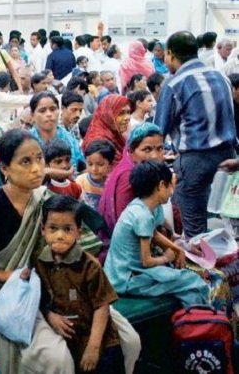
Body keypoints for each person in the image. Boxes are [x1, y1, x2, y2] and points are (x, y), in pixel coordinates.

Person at [0, 129, 141, 374]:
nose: (37, 168)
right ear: (5, 169)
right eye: (25, 162)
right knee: (57, 360)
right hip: (9, 293)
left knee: (128, 340)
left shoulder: (44, 198)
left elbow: (78, 245)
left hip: (57, 282)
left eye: (39, 159)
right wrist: (1, 276)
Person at [155, 31, 237, 239]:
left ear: (170, 54)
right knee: (229, 220)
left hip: (195, 161)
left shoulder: (174, 84)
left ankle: (201, 266)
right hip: (229, 157)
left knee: (195, 230)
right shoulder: (221, 77)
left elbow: (157, 132)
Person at [36, 195, 124, 374]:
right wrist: (50, 316)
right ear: (43, 230)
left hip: (99, 340)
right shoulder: (38, 263)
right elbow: (38, 300)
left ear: (79, 232)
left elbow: (102, 306)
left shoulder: (89, 265)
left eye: (67, 229)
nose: (60, 236)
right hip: (69, 340)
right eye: (53, 228)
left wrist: (93, 347)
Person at [104, 160, 209, 306]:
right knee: (194, 282)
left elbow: (153, 233)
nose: (172, 191)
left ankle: (195, 320)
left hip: (131, 273)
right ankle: (201, 320)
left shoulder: (146, 206)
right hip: (127, 279)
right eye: (170, 186)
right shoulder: (142, 215)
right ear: (161, 186)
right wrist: (166, 258)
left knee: (189, 289)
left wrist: (178, 248)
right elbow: (146, 261)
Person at [99, 123, 167, 232]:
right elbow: (127, 222)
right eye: (147, 150)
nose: (154, 156)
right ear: (131, 151)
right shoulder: (128, 176)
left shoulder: (148, 173)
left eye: (159, 149)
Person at [29, 92, 85, 171]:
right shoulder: (27, 142)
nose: (49, 114)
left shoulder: (69, 139)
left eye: (52, 109)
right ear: (32, 115)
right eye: (42, 111)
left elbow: (82, 167)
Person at [81, 94, 131, 167]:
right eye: (121, 113)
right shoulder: (97, 139)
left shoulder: (117, 134)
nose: (127, 118)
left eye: (128, 112)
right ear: (108, 115)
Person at [76, 140, 115, 210]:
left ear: (110, 165)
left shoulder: (112, 183)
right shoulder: (80, 182)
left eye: (100, 164)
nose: (94, 169)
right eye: (90, 164)